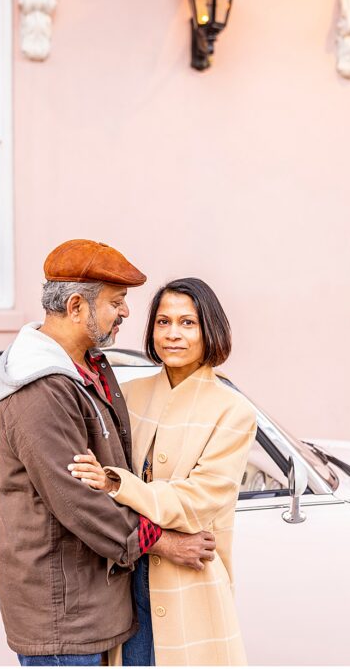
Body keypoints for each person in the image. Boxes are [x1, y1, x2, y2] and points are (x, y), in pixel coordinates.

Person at [0, 240, 218, 666]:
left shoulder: (88, 367)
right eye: (116, 301)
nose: (126, 312)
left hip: (92, 600)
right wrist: (163, 542)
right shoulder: (40, 388)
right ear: (76, 306)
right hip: (63, 615)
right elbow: (77, 500)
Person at [68, 277, 257, 666]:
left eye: (188, 323)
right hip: (124, 579)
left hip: (190, 581)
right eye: (163, 322)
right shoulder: (128, 394)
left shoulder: (233, 411)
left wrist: (117, 484)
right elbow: (90, 485)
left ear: (210, 329)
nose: (173, 334)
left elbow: (195, 504)